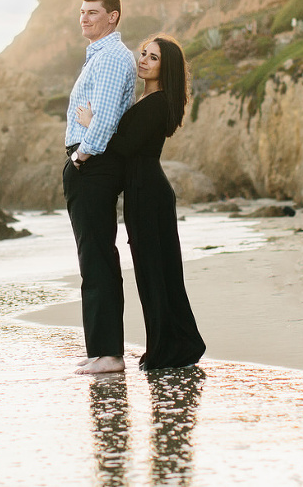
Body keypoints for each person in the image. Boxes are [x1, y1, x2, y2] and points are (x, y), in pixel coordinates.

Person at [76, 35, 206, 370]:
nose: (143, 60)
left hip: (150, 195)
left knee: (157, 273)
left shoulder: (160, 101)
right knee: (152, 274)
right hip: (142, 194)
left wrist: (93, 125)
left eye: (153, 58)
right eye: (144, 54)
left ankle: (175, 348)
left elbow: (124, 145)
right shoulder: (147, 98)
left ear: (167, 68)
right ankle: (170, 345)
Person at [64, 0, 138, 376]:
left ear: (113, 17)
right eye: (82, 12)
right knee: (93, 258)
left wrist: (81, 155)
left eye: (93, 12)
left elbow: (105, 118)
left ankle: (109, 354)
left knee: (96, 259)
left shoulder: (110, 58)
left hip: (91, 163)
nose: (84, 18)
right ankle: (101, 350)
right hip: (88, 163)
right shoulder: (100, 56)